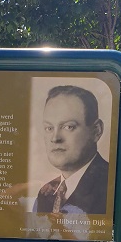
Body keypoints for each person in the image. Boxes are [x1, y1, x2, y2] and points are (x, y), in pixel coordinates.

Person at [34, 85, 108, 214]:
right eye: (49, 128)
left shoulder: (111, 184)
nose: (55, 138)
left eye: (68, 127)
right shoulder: (45, 194)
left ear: (96, 131)